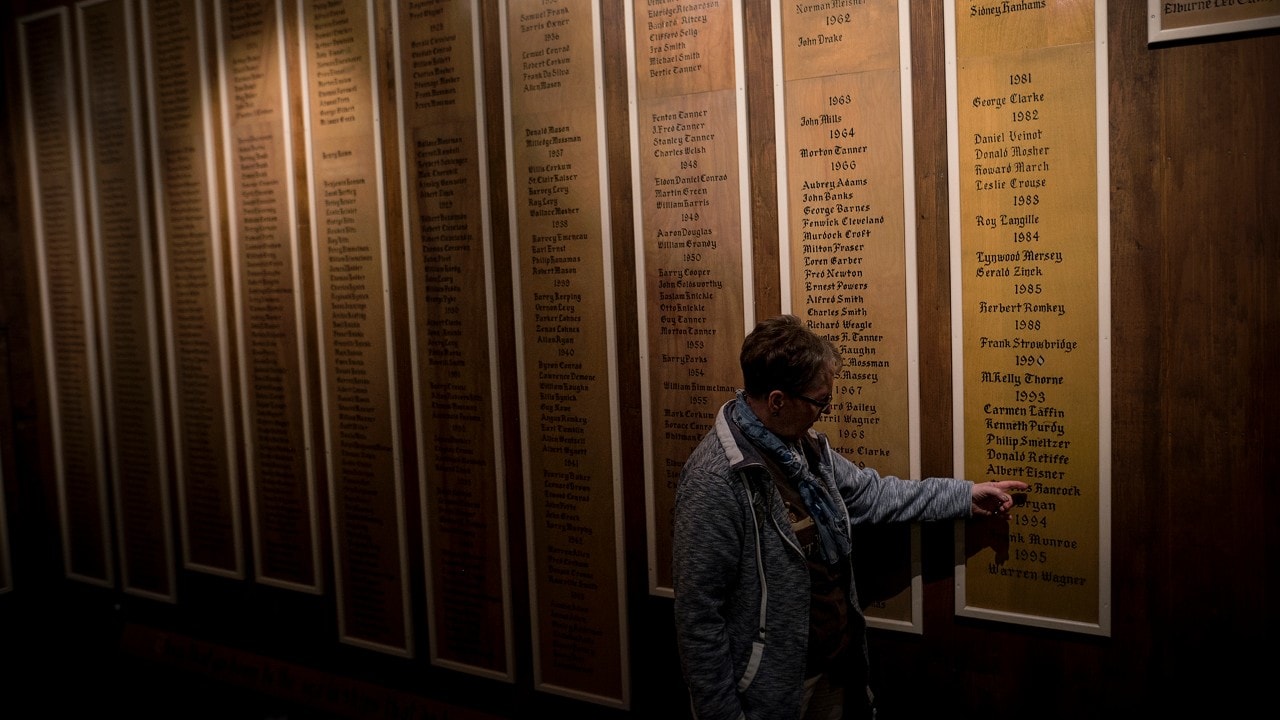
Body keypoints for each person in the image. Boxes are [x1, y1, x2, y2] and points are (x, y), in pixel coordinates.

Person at [672, 314, 1028, 720]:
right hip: (771, 693)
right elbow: (699, 617)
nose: (824, 411)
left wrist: (965, 496)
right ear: (777, 400)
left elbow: (872, 493)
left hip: (834, 667)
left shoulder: (801, 451)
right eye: (820, 401)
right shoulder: (716, 479)